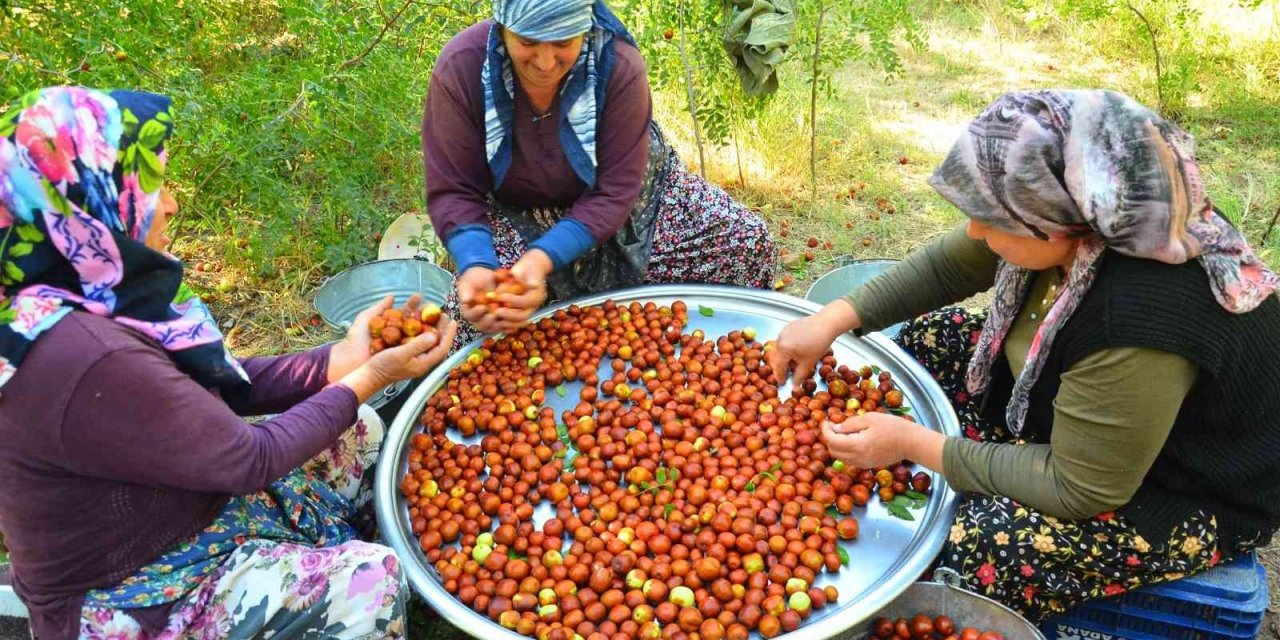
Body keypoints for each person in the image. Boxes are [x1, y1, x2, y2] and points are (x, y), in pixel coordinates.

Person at [769, 90, 1280, 620]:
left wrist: (914, 445)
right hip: (1094, 410)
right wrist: (831, 319)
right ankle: (990, 446)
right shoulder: (1082, 213)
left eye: (991, 220)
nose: (974, 230)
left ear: (1057, 223)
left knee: (976, 543)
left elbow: (1080, 485)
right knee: (932, 339)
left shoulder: (1135, 321)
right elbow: (949, 265)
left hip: (1180, 483)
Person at [0, 87, 455, 640]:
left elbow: (223, 383)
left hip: (178, 507)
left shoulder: (72, 290)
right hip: (138, 587)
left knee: (356, 425)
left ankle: (337, 539)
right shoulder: (82, 353)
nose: (168, 204)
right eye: (148, 187)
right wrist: (372, 376)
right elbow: (249, 461)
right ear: (90, 201)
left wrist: (339, 360)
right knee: (368, 581)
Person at [422, 0, 776, 344]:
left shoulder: (617, 63)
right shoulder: (463, 67)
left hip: (635, 197)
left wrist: (543, 257)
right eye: (527, 41)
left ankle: (699, 348)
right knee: (476, 318)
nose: (545, 63)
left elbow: (615, 190)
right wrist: (476, 263)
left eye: (563, 42)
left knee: (746, 240)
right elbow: (455, 189)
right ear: (502, 28)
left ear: (586, 28)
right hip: (521, 211)